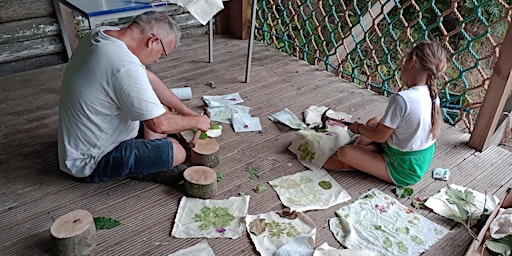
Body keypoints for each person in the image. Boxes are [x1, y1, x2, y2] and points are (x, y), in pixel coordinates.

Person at [58, 11, 211, 184]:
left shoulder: (103, 35)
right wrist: (197, 122)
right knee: (178, 152)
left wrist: (186, 112)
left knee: (160, 108)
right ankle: (142, 169)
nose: (157, 61)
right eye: (161, 54)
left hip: (85, 140)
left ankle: (149, 155)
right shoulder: (124, 65)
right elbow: (159, 124)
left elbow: (149, 79)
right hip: (90, 160)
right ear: (152, 41)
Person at [323, 41, 447, 186]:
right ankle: (366, 154)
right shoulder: (432, 95)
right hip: (418, 160)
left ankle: (359, 161)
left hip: (403, 170)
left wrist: (357, 128)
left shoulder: (402, 99)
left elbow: (380, 136)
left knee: (343, 153)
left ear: (412, 61)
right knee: (374, 122)